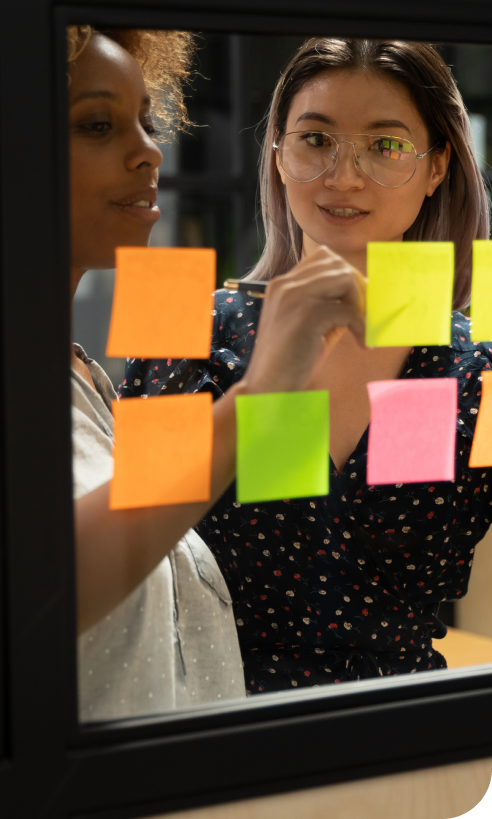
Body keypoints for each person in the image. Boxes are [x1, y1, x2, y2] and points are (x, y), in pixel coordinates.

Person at [0, 5, 365, 752]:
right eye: (97, 125)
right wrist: (254, 401)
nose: (148, 153)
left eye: (146, 121)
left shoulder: (83, 384)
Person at [122, 38, 492, 694]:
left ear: (436, 167)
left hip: (417, 744)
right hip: (220, 732)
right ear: (278, 157)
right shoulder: (181, 321)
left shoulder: (467, 362)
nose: (344, 177)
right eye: (316, 140)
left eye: (385, 146)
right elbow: (126, 560)